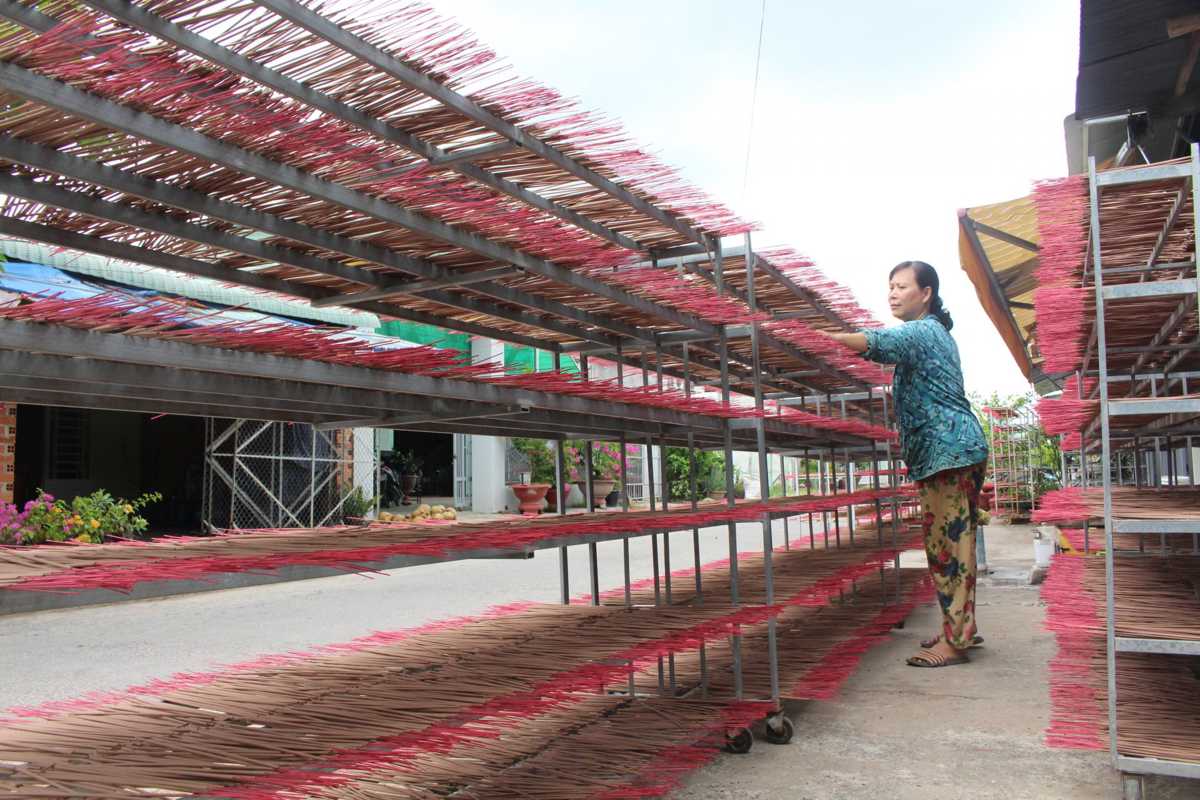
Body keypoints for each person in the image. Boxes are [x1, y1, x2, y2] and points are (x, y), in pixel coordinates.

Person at [822, 261, 988, 668]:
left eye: (901, 286)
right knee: (957, 546)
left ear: (926, 293)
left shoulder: (923, 332)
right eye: (890, 287)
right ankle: (960, 629)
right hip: (955, 450)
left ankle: (954, 644)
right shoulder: (935, 334)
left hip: (945, 453)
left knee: (947, 550)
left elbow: (878, 344)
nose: (892, 294)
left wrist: (823, 339)